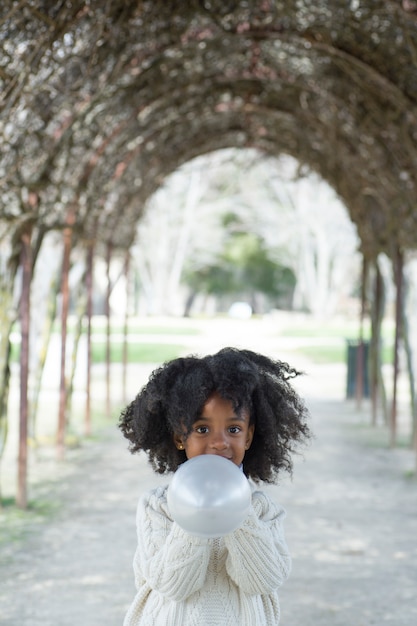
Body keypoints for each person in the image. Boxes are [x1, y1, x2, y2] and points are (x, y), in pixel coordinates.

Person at [119, 347, 311, 626]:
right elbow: (173, 585)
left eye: (233, 429)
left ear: (248, 437)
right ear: (179, 437)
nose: (220, 442)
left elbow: (262, 580)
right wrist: (195, 508)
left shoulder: (261, 509)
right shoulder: (157, 506)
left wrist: (236, 507)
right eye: (202, 429)